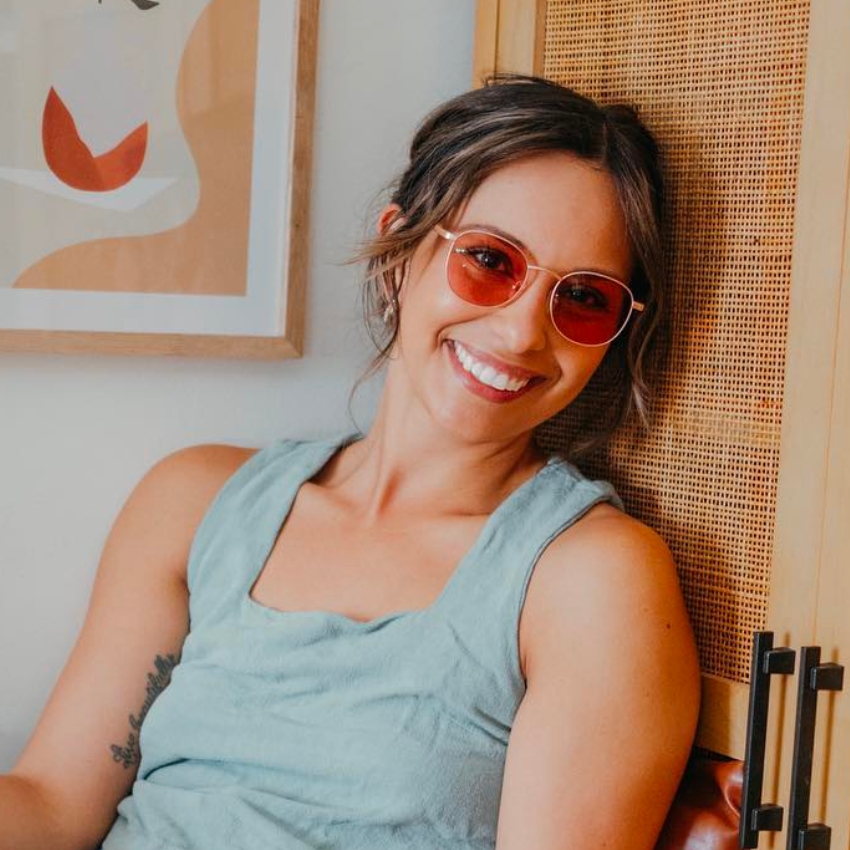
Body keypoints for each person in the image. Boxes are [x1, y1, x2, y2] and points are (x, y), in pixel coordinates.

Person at [0, 74, 700, 850]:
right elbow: (52, 802)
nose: (521, 334)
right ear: (399, 251)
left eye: (583, 299)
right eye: (490, 261)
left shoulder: (591, 578)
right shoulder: (195, 499)